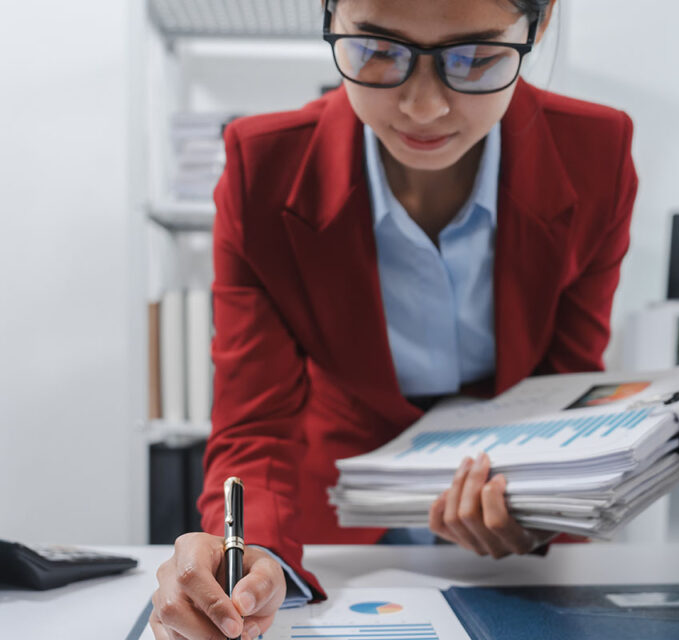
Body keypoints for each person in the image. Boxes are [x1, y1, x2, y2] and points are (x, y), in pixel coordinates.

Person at [149, 0, 637, 638]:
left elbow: (567, 382)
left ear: (538, 26)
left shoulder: (595, 152)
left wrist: (533, 502)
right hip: (338, 502)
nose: (424, 107)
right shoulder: (261, 167)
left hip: (509, 509)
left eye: (477, 57)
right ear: (330, 16)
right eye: (378, 50)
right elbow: (254, 422)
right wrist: (249, 552)